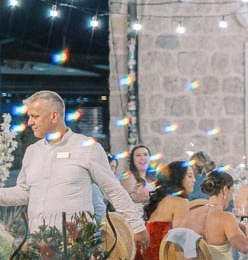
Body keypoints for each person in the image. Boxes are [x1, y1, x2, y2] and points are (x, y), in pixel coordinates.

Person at [0, 91, 146, 239]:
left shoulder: (87, 147)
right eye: (29, 116)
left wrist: (137, 226)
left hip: (77, 244)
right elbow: (24, 192)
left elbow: (113, 189)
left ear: (54, 116)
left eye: (35, 116)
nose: (30, 122)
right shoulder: (32, 151)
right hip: (38, 241)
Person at [136, 161, 196, 260]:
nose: (194, 180)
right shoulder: (182, 202)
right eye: (190, 176)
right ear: (178, 179)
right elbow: (181, 242)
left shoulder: (161, 200)